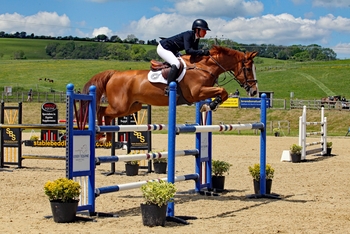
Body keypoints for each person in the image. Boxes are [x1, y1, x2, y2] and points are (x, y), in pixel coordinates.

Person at [157, 19, 211, 96]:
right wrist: (202, 52)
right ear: (197, 29)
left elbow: (194, 52)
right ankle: (168, 87)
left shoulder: (196, 38)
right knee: (176, 63)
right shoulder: (188, 35)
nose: (205, 32)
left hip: (173, 50)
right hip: (164, 48)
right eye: (204, 30)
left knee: (184, 63)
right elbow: (188, 51)